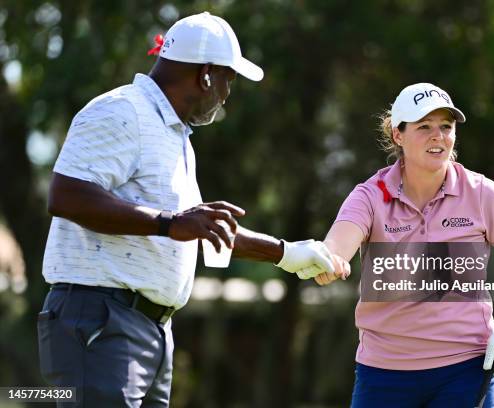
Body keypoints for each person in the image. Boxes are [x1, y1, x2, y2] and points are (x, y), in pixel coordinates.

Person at [38, 12, 339, 407]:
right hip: (101, 320)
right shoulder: (121, 110)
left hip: (151, 329)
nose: (229, 93)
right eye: (229, 79)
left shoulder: (175, 134)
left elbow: (199, 228)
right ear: (207, 75)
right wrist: (170, 223)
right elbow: (66, 196)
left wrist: (286, 253)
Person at [298, 83, 494, 407]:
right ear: (397, 134)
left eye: (446, 127)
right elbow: (338, 244)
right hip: (383, 373)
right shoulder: (370, 195)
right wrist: (329, 261)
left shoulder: (483, 194)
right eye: (424, 127)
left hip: (467, 370)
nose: (438, 136)